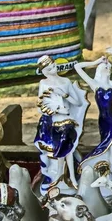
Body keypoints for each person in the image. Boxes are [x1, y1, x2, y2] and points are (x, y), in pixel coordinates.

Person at [75, 48, 112, 184]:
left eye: (108, 68)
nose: (108, 70)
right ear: (100, 70)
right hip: (104, 121)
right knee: (109, 147)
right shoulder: (95, 84)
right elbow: (77, 67)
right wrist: (95, 61)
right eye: (106, 68)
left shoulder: (111, 84)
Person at [34, 55, 88, 191]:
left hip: (67, 121)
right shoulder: (44, 83)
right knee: (62, 151)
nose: (54, 69)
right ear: (44, 71)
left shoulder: (65, 81)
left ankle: (68, 178)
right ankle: (62, 176)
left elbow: (78, 102)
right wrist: (55, 109)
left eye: (54, 65)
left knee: (66, 147)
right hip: (54, 122)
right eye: (50, 68)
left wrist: (64, 95)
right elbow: (41, 105)